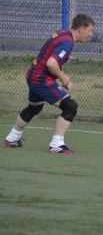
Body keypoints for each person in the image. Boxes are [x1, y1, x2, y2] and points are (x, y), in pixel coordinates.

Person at [4, 14, 94, 154]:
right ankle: (56, 144)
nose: (90, 34)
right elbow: (51, 63)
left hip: (33, 73)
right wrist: (64, 78)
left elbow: (48, 57)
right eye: (89, 30)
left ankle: (12, 138)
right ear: (81, 29)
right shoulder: (67, 42)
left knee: (34, 108)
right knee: (70, 107)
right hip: (41, 78)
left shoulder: (63, 33)